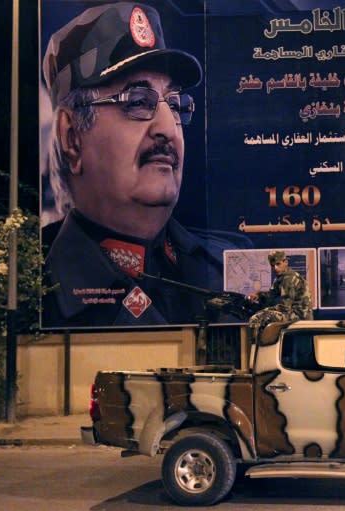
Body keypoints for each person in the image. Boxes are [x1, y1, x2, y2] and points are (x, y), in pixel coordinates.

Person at [40, 2, 251, 327]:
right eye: (138, 102)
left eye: (176, 104)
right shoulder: (33, 287)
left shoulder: (229, 264)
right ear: (72, 138)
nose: (168, 129)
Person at [248, 251, 313, 338]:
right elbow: (271, 296)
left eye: (278, 264)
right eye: (272, 265)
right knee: (261, 315)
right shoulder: (280, 278)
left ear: (285, 262)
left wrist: (266, 310)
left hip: (300, 317)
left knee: (258, 318)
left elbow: (285, 307)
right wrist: (259, 295)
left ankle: (260, 347)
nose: (275, 268)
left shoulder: (290, 278)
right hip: (292, 314)